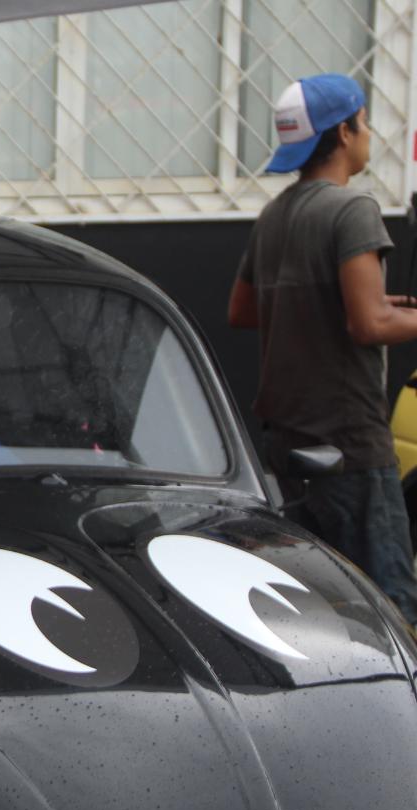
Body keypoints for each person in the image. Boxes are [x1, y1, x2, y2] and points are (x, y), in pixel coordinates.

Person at [228, 72, 417, 625]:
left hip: (289, 446)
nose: (369, 133)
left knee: (315, 612)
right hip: (350, 447)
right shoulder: (352, 209)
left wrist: (341, 302)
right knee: (389, 612)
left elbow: (243, 311)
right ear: (343, 132)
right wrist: (374, 308)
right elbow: (369, 324)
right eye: (364, 122)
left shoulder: (274, 216)